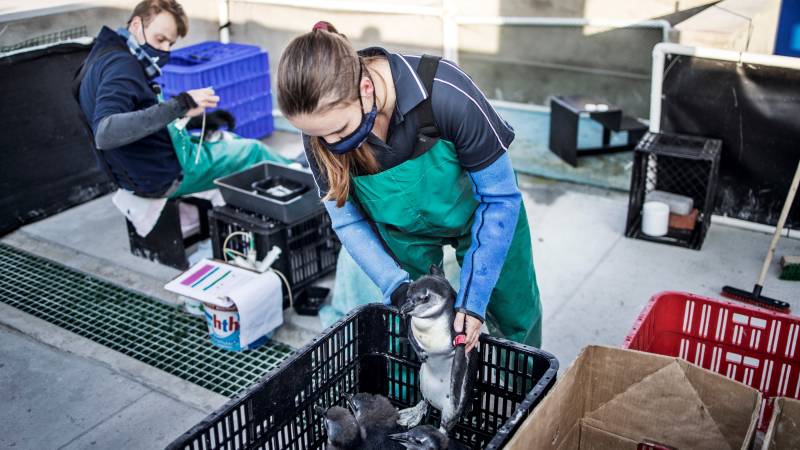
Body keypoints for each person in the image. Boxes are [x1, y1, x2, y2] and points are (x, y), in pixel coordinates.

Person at [276, 22, 542, 350]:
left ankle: (523, 391)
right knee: (417, 333)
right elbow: (347, 220)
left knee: (514, 313)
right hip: (402, 235)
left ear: (366, 89)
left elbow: (499, 198)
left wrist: (473, 300)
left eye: (341, 130)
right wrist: (396, 287)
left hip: (483, 217)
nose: (331, 143)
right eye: (320, 135)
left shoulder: (445, 92)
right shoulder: (323, 127)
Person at [75, 0, 288, 200]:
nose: (165, 50)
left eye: (170, 43)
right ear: (137, 24)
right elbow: (105, 132)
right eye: (160, 39)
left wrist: (189, 117)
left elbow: (136, 115)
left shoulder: (103, 54)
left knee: (228, 139)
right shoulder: (123, 67)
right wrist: (181, 103)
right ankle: (307, 178)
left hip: (140, 171)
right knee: (253, 151)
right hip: (161, 176)